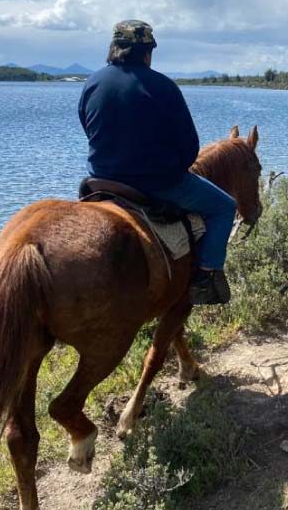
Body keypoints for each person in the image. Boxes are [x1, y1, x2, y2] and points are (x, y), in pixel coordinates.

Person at [78, 20, 236, 305]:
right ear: (147, 53)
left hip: (101, 180)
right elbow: (189, 148)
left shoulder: (93, 82)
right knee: (224, 207)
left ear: (114, 48)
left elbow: (88, 128)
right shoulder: (163, 86)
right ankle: (206, 277)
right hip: (155, 185)